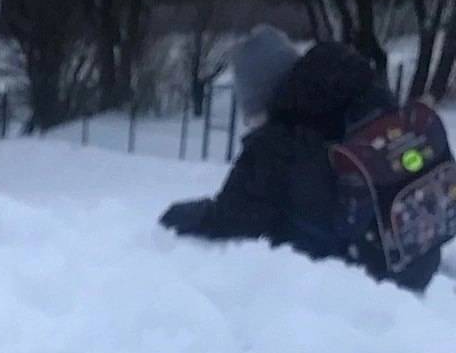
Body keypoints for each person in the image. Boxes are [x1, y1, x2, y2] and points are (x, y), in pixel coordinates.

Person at [160, 28, 444, 292]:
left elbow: (230, 218)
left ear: (263, 93)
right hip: (419, 257)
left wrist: (174, 216)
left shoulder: (274, 144)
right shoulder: (361, 97)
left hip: (361, 283)